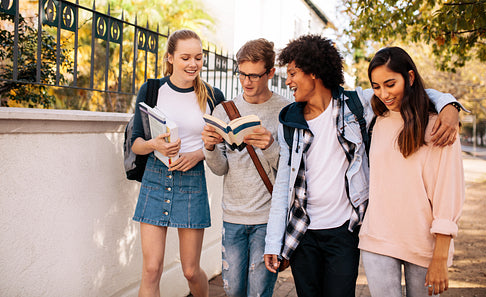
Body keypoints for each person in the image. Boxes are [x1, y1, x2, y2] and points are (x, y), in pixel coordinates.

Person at [263, 34, 463, 297]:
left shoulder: (357, 106)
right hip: (304, 230)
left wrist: (450, 105)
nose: (287, 81)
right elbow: (284, 187)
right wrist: (273, 240)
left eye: (292, 73)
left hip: (345, 229)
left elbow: (412, 90)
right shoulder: (290, 121)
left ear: (313, 73)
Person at [358, 47, 465, 297]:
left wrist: (440, 256)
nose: (383, 93)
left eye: (390, 84)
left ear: (410, 77)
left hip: (424, 245)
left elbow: (447, 193)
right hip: (378, 238)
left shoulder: (440, 126)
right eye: (376, 86)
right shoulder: (376, 119)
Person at [131, 29, 224, 297]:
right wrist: (154, 145)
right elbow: (136, 143)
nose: (193, 63)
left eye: (198, 57)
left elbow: (226, 143)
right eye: (185, 57)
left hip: (192, 181)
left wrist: (199, 154)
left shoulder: (213, 96)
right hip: (155, 178)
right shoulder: (151, 90)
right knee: (151, 269)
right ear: (170, 57)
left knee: (191, 270)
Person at [201, 38, 290, 297]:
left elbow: (290, 171)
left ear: (270, 73)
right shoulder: (224, 111)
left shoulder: (285, 110)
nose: (246, 82)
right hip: (233, 217)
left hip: (268, 219)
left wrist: (270, 147)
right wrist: (208, 148)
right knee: (233, 292)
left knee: (259, 293)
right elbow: (220, 169)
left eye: (254, 75)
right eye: (241, 74)